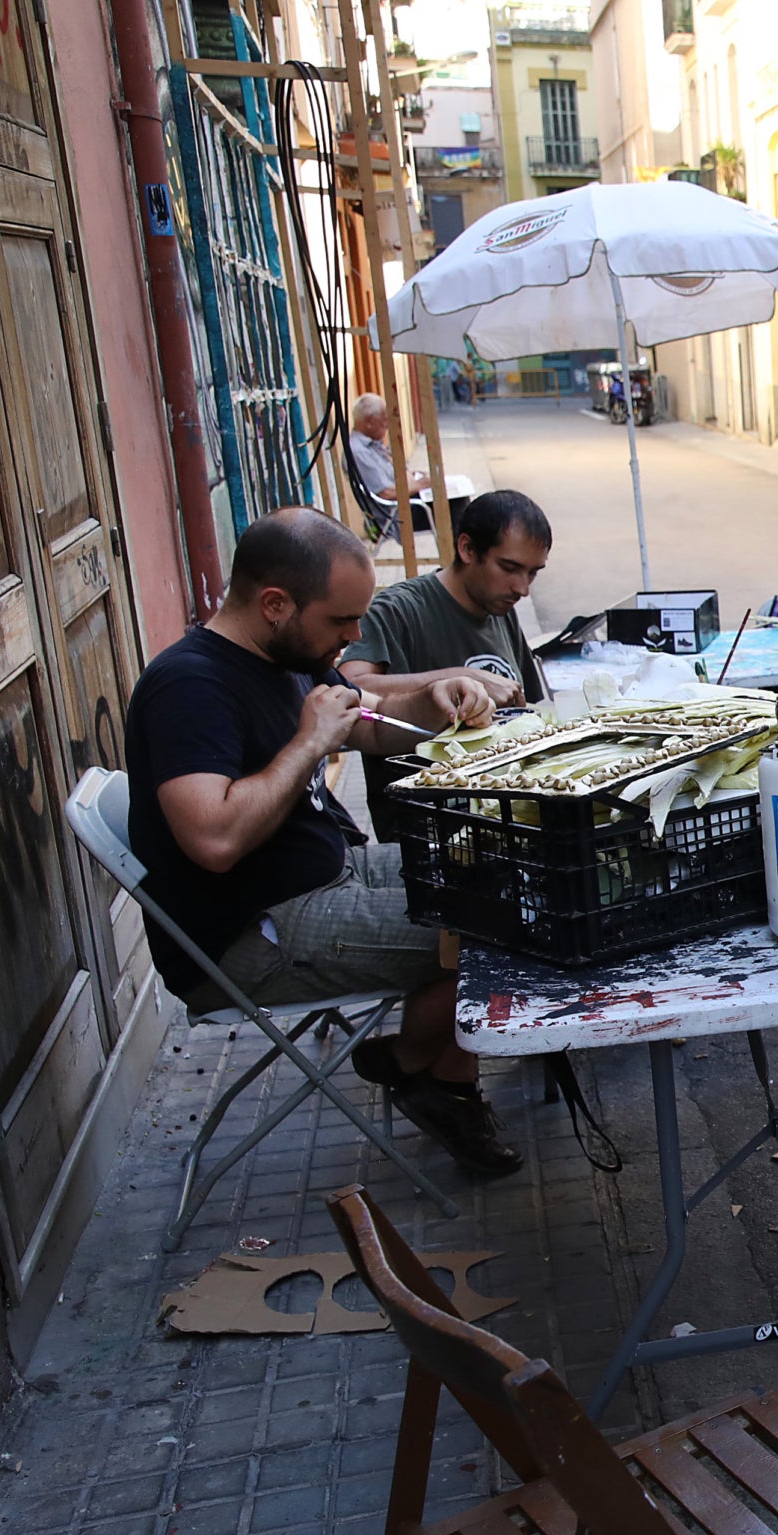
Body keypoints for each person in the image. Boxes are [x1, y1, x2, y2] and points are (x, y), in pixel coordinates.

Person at [124, 507, 524, 1176]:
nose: (355, 634)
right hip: (256, 931)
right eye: (341, 621)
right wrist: (308, 742)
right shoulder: (188, 688)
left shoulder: (289, 650)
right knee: (507, 927)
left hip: (328, 873)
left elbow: (365, 724)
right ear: (276, 604)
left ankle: (411, 1062)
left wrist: (434, 699)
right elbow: (214, 840)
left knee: (515, 873)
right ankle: (430, 1079)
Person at [341, 488, 551, 711]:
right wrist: (459, 679)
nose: (522, 588)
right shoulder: (398, 610)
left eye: (532, 573)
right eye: (509, 568)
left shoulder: (500, 605)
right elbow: (347, 688)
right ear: (467, 549)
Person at [348, 392, 465, 540]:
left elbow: (401, 469)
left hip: (404, 502)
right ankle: (460, 557)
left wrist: (415, 479)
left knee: (456, 496)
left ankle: (462, 554)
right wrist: (421, 484)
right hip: (393, 515)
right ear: (370, 421)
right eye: (384, 420)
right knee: (455, 505)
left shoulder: (374, 444)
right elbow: (385, 493)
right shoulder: (359, 451)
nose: (387, 425)